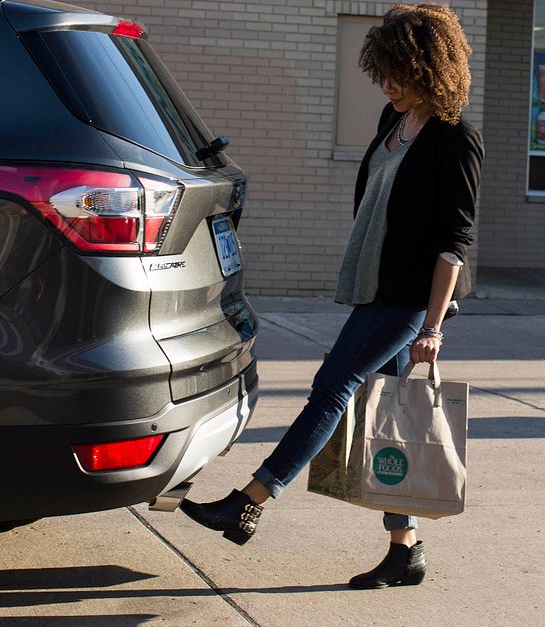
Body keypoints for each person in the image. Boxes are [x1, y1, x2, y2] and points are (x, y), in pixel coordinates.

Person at [179, 3, 483, 589]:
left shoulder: (455, 138)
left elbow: (456, 240)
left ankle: (250, 500)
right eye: (385, 71)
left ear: (432, 68)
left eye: (403, 73)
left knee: (334, 384)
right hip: (375, 285)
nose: (390, 84)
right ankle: (406, 549)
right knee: (390, 412)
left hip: (408, 299)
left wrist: (433, 327)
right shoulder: (389, 123)